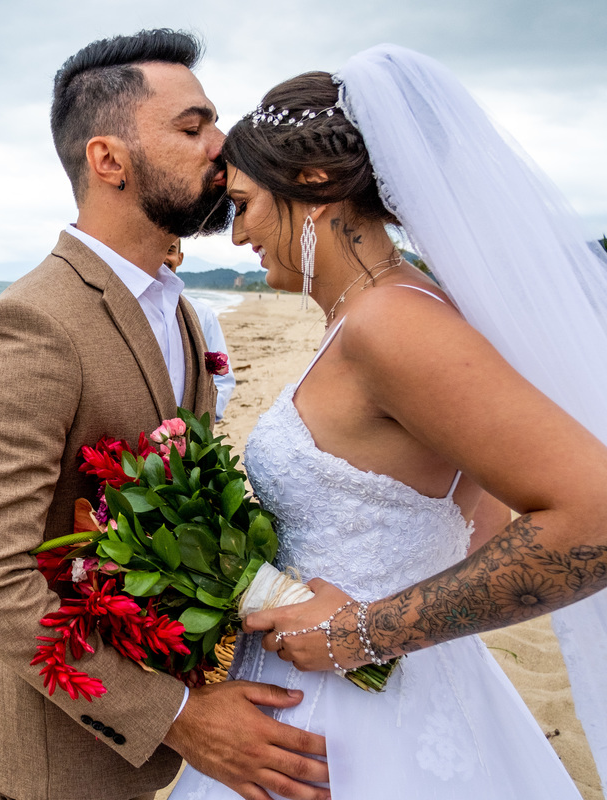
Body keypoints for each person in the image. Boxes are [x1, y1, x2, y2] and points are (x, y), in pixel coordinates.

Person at [170, 45, 607, 799]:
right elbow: (481, 520)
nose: (239, 236)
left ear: (312, 185)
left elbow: (594, 515)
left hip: (363, 718)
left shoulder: (393, 326)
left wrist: (363, 632)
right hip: (324, 700)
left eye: (244, 205)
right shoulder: (365, 318)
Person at [0, 30, 330, 800]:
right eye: (194, 128)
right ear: (108, 160)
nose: (223, 148)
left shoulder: (176, 308)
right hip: (53, 760)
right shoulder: (35, 323)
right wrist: (178, 716)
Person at [163, 239, 235, 422]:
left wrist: (201, 422)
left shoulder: (201, 314)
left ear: (180, 258)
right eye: (158, 248)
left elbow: (222, 377)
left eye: (170, 250)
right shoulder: (131, 308)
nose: (164, 257)